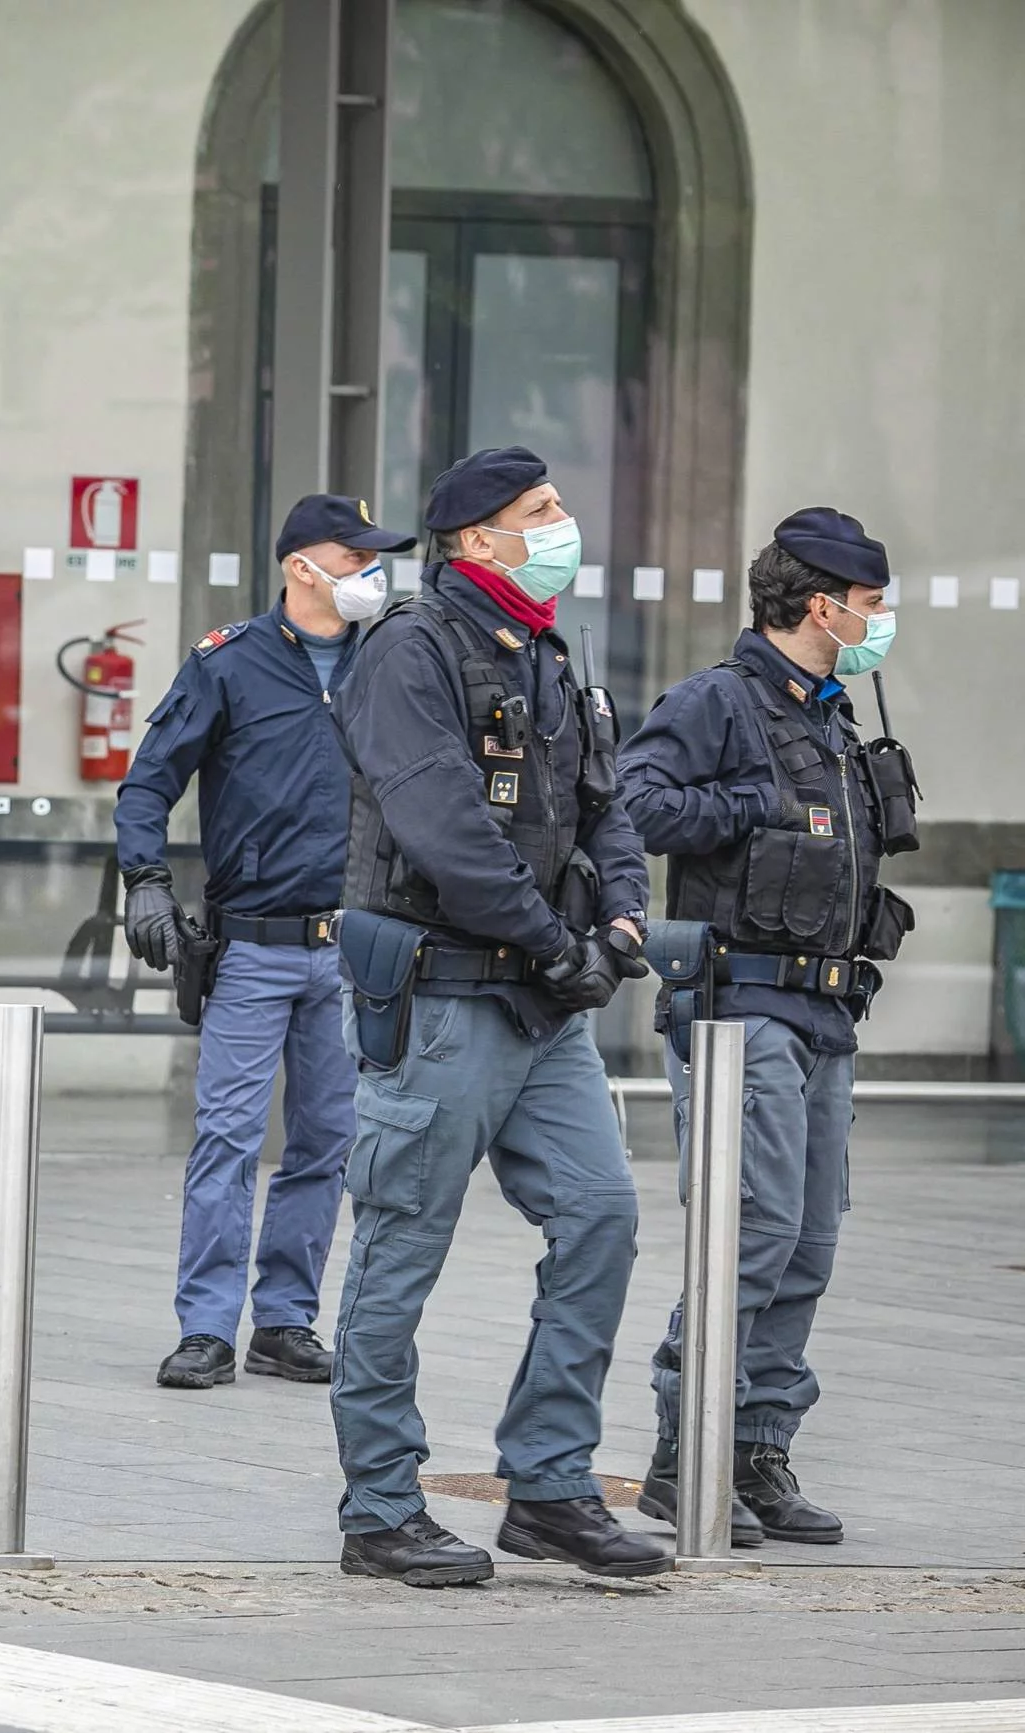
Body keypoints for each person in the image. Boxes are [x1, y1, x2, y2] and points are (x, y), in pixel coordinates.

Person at [325, 445, 668, 1586]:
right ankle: (379, 1507)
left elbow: (603, 811)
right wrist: (549, 940)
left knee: (601, 1215)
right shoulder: (408, 650)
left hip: (542, 1003)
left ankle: (549, 1484)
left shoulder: (549, 657)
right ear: (474, 537)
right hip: (442, 997)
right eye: (540, 510)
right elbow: (439, 826)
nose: (562, 521)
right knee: (398, 1252)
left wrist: (616, 926)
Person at [621, 508, 913, 1548]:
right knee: (749, 1232)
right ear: (816, 602)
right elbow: (633, 806)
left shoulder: (831, 714)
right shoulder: (719, 702)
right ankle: (678, 1454)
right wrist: (744, 805)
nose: (880, 619)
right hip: (739, 1006)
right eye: (869, 603)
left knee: (808, 1241)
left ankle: (756, 1444)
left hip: (823, 1008)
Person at [117, 494, 413, 1391]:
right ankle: (206, 1326)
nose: (370, 574)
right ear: (301, 567)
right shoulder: (229, 664)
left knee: (327, 1142)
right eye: (353, 558)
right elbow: (147, 785)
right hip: (253, 945)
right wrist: (147, 882)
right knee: (229, 1140)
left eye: (374, 559)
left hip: (355, 950)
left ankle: (284, 1320)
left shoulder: (391, 664)